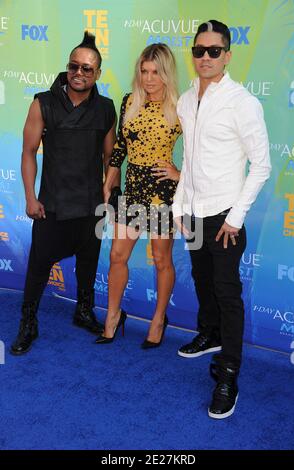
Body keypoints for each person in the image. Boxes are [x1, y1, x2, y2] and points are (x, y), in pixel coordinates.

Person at [173, 20, 271, 418]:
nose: (206, 57)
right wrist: (179, 206)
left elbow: (261, 166)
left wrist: (235, 217)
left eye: (214, 51)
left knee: (227, 294)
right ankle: (210, 335)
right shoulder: (184, 99)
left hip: (224, 220)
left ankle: (229, 373)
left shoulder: (243, 102)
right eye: (199, 50)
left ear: (228, 55)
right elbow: (190, 162)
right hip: (193, 215)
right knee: (201, 279)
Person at [10, 32, 117, 355]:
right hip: (52, 203)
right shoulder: (43, 102)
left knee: (88, 262)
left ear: (97, 73)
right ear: (67, 68)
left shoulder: (106, 108)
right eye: (74, 66)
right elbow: (29, 152)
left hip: (90, 204)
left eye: (87, 69)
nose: (79, 73)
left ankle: (83, 311)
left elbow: (111, 156)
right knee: (39, 265)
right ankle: (28, 322)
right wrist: (30, 197)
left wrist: (107, 192)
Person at [95, 43, 181, 348]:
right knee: (117, 255)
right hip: (132, 190)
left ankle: (159, 319)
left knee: (161, 259)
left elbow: (201, 151)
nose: (149, 78)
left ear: (167, 73)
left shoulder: (179, 106)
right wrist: (110, 179)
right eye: (144, 71)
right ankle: (113, 316)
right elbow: (120, 145)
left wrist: (180, 174)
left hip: (161, 194)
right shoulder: (129, 101)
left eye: (156, 72)